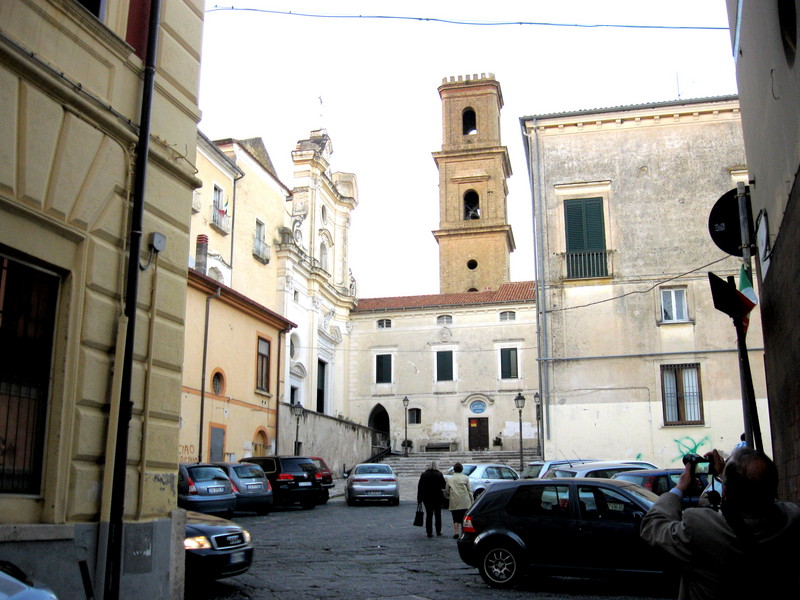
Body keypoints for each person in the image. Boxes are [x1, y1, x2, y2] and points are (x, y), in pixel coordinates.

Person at [640, 448, 800, 599]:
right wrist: (725, 474)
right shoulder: (791, 519)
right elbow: (761, 495)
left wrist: (679, 488)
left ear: (724, 491)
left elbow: (653, 527)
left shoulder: (700, 528)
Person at [416, 461, 445, 537]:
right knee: (438, 515)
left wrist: (419, 499)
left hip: (427, 498)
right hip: (437, 497)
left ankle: (429, 532)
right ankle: (438, 531)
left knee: (429, 515)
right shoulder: (439, 474)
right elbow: (443, 485)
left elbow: (420, 487)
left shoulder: (424, 475)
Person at [445, 462, 473, 539]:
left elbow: (447, 490)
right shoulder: (465, 478)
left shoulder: (450, 479)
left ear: (454, 470)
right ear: (461, 469)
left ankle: (456, 532)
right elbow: (469, 490)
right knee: (465, 517)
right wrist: (472, 501)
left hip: (455, 501)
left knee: (455, 517)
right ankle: (464, 532)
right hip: (465, 500)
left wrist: (449, 495)